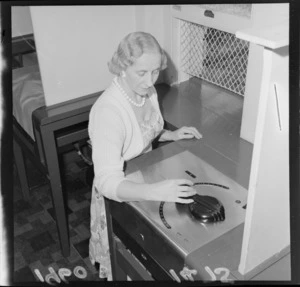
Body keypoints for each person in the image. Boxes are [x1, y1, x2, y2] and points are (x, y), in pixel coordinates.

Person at [88, 31, 202, 280]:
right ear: (122, 66)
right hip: (121, 191)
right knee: (129, 262)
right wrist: (156, 191)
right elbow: (106, 182)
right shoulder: (108, 111)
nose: (150, 81)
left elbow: (143, 130)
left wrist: (170, 135)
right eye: (142, 72)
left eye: (155, 71)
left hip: (146, 177)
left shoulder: (145, 91)